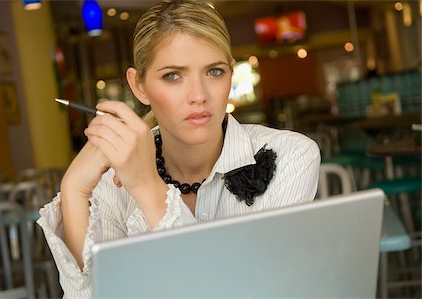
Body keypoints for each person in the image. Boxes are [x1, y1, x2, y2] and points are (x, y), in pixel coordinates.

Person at [37, 0, 320, 297]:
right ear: (139, 86)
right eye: (173, 75)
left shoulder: (292, 155)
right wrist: (72, 190)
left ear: (231, 74)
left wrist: (147, 187)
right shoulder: (111, 184)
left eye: (214, 71)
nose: (198, 95)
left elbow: (256, 290)